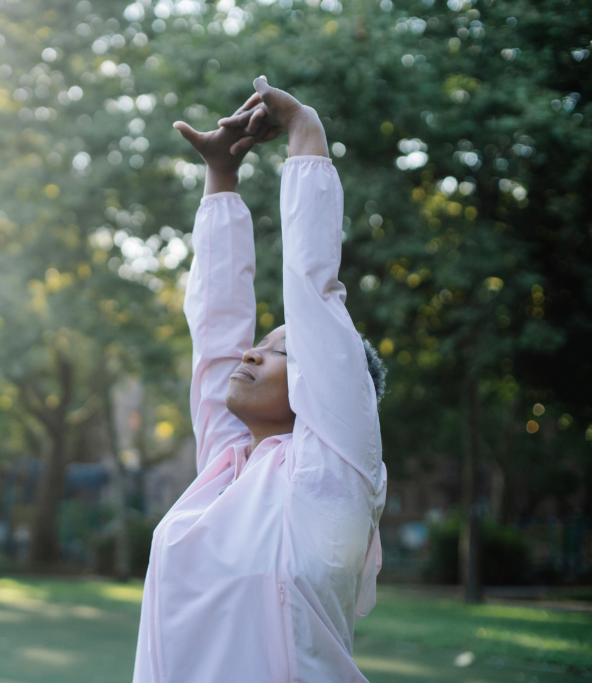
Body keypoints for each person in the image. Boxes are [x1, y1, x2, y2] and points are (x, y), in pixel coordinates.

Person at [131, 77, 387, 683]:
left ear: (324, 388)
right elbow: (216, 332)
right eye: (260, 347)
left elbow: (312, 292)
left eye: (280, 352)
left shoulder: (332, 472)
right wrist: (221, 178)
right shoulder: (225, 471)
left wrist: (305, 132)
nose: (250, 355)